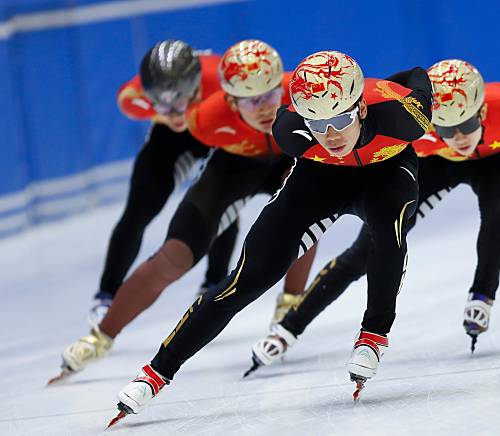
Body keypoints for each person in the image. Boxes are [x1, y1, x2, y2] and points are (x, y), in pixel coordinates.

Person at [106, 50, 433, 424]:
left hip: (386, 174)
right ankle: (156, 373)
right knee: (242, 283)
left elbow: (416, 75)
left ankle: (374, 334)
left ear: (359, 109)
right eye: (317, 123)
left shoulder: (405, 119)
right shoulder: (290, 132)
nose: (330, 135)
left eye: (340, 119)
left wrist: (393, 84)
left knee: (388, 234)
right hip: (319, 180)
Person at [53, 40, 317, 383]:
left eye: (271, 95)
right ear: (230, 99)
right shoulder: (202, 117)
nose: (265, 108)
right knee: (173, 257)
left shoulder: (304, 92)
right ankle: (100, 336)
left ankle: (290, 303)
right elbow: (144, 116)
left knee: (302, 206)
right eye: (252, 100)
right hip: (234, 168)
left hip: (287, 159)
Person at [250, 59, 500, 370]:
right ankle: (288, 328)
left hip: (498, 160)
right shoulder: (415, 126)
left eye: (467, 124)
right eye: (446, 128)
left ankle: (482, 295)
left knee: (498, 211)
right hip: (437, 163)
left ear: (482, 112)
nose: (459, 138)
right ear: (432, 123)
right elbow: (377, 102)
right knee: (366, 250)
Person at [88, 39, 240, 327]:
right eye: (160, 104)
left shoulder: (222, 78)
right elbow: (126, 99)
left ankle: (212, 283)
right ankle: (105, 295)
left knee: (220, 205)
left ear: (195, 86)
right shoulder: (144, 94)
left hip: (214, 126)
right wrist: (164, 112)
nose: (172, 112)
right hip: (171, 141)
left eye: (179, 102)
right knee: (138, 211)